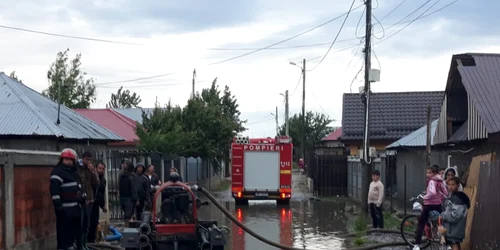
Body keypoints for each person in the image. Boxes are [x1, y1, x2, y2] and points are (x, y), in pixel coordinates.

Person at [50, 148, 84, 250]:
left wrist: (82, 197)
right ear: (61, 160)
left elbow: (79, 187)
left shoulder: (73, 172)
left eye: (70, 160)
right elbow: (54, 190)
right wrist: (58, 205)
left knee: (74, 234)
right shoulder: (57, 172)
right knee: (64, 234)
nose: (68, 162)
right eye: (66, 159)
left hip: (75, 209)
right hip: (64, 210)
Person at [413, 165, 449, 250]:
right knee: (441, 225)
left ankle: (417, 245)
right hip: (438, 205)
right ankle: (447, 245)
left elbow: (432, 193)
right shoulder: (440, 181)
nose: (428, 174)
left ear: (434, 173)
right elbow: (446, 192)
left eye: (430, 173)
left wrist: (424, 197)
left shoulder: (432, 181)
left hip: (429, 205)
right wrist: (440, 198)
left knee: (421, 224)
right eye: (427, 172)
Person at [439, 177, 470, 250]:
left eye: (453, 184)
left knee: (454, 244)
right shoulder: (453, 196)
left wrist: (443, 216)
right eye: (449, 184)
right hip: (452, 228)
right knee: (453, 244)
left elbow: (456, 215)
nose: (450, 186)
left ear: (458, 185)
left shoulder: (458, 198)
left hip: (454, 228)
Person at [77, 152, 99, 250]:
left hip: (90, 199)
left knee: (87, 224)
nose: (88, 161)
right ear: (83, 159)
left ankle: (84, 244)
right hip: (81, 200)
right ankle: (79, 244)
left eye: (90, 160)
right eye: (87, 159)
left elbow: (96, 183)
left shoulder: (90, 169)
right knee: (80, 224)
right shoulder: (78, 168)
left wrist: (93, 172)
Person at [88, 161, 108, 243]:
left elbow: (101, 194)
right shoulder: (91, 177)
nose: (101, 170)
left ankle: (91, 241)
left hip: (96, 204)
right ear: (96, 168)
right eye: (99, 168)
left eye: (103, 169)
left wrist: (103, 206)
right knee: (88, 223)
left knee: (94, 223)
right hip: (89, 203)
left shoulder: (103, 180)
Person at [119, 160, 138, 227]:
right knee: (127, 214)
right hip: (122, 197)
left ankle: (127, 228)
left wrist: (136, 199)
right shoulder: (121, 174)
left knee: (128, 215)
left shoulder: (132, 176)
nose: (123, 165)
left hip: (129, 198)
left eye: (125, 164)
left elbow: (134, 189)